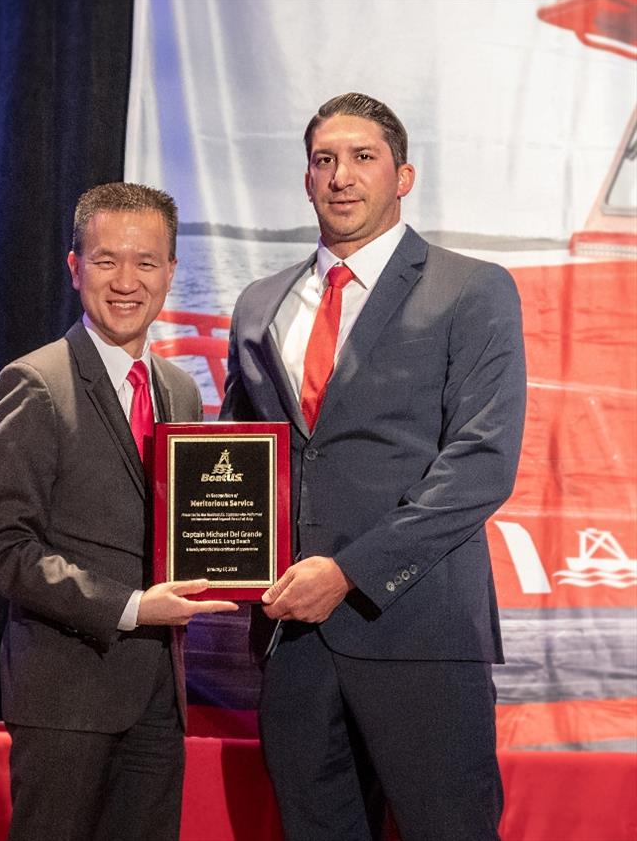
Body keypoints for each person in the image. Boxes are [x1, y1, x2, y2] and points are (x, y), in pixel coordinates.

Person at [220, 93, 526, 840]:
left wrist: (349, 571)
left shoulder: (472, 287)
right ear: (306, 179)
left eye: (363, 158)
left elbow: (481, 463)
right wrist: (222, 556)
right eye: (324, 159)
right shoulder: (260, 304)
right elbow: (236, 451)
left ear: (404, 176)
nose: (341, 176)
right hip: (292, 637)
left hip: (418, 629)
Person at [0, 182, 238, 841]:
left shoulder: (178, 390)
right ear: (74, 267)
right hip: (65, 696)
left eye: (146, 262)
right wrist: (131, 606)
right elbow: (3, 549)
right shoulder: (36, 384)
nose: (128, 281)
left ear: (172, 272)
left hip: (158, 697)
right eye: (106, 260)